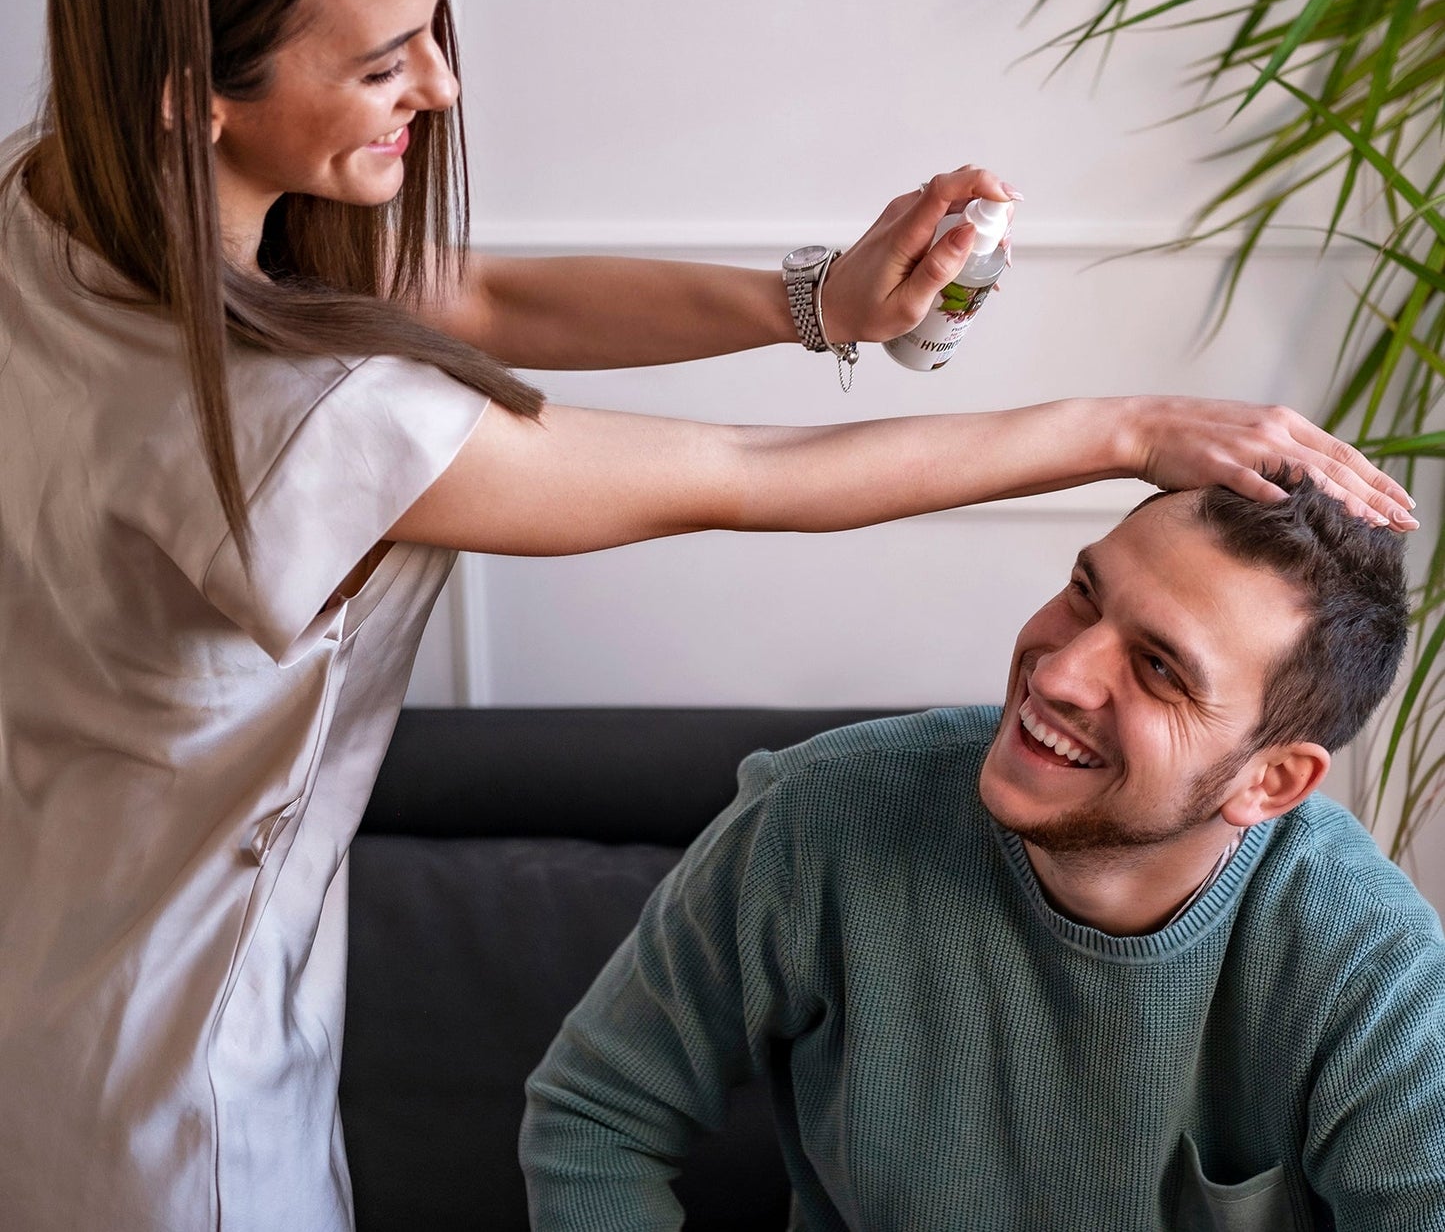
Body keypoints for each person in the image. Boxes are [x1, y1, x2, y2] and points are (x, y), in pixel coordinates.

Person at [0, 0, 1419, 1230]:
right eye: (383, 63)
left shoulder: (54, 214)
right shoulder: (293, 428)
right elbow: (749, 479)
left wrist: (817, 304)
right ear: (195, 92)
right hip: (176, 1075)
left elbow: (464, 292)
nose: (438, 86)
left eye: (437, 25)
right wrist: (1124, 422)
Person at [520, 470, 1445, 1231]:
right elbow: (597, 1113)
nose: (1057, 670)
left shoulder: (1372, 967)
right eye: (1086, 591)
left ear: (1271, 782)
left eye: (1159, 668)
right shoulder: (817, 816)